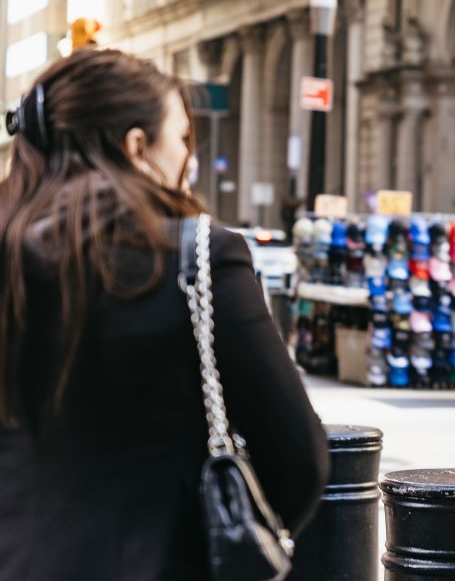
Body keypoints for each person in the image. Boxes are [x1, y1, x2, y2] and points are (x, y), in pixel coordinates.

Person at [0, 49, 328, 579]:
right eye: (181, 139)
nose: (188, 159)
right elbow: (299, 458)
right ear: (137, 147)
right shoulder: (199, 256)